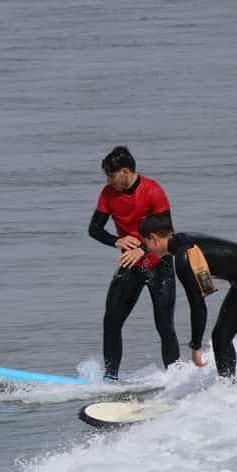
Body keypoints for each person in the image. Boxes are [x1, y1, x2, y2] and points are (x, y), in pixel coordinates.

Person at [139, 214, 237, 384]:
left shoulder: (184, 258)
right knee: (220, 337)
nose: (148, 250)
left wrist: (195, 346)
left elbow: (198, 307)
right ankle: (227, 389)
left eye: (146, 244)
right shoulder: (182, 240)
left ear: (153, 239)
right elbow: (205, 281)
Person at [88, 146, 179, 381]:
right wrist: (116, 240)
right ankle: (110, 379)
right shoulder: (108, 193)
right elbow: (94, 229)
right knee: (111, 320)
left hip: (160, 263)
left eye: (111, 176)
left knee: (164, 324)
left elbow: (167, 232)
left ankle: (176, 377)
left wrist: (142, 248)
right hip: (131, 264)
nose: (108, 181)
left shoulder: (152, 190)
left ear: (125, 171)